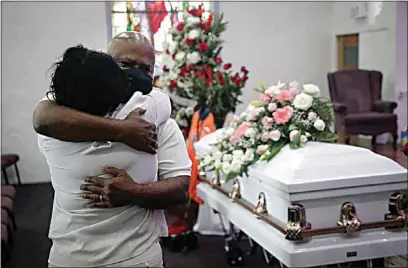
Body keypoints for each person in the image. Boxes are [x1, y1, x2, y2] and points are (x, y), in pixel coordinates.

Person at [33, 32, 191, 267]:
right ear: (107, 64)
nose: (136, 74)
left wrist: (134, 192)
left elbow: (180, 191)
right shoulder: (149, 114)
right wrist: (123, 130)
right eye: (126, 64)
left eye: (145, 69)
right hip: (73, 256)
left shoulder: (55, 125)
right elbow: (43, 117)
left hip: (135, 256)